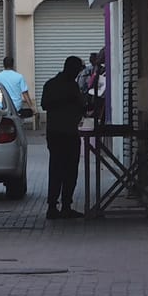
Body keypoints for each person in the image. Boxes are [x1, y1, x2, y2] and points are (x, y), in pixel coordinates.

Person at [41, 56, 87, 220]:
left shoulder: (51, 84)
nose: (77, 73)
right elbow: (46, 104)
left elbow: (45, 104)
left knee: (57, 169)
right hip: (66, 133)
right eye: (77, 70)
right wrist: (69, 101)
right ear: (71, 69)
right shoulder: (67, 86)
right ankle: (63, 206)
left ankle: (55, 206)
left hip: (56, 133)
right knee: (68, 171)